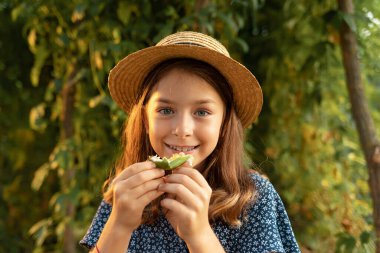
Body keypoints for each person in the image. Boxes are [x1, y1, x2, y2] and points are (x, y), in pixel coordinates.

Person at [80, 31, 301, 253]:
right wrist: (119, 225)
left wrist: (199, 236)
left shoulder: (253, 198)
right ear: (146, 120)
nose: (182, 130)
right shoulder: (125, 192)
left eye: (202, 112)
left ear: (224, 123)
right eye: (165, 110)